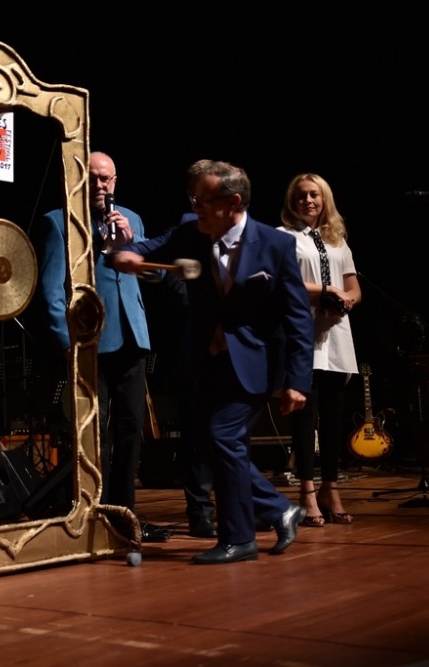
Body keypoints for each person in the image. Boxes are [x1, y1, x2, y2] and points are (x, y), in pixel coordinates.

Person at [111, 159, 313, 564]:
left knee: (222, 436)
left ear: (233, 202)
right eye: (194, 199)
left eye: (204, 199)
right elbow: (143, 250)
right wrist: (125, 254)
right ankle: (279, 509)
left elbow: (298, 318)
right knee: (208, 443)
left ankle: (239, 539)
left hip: (254, 363)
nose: (196, 206)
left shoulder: (274, 245)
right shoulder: (191, 231)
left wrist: (297, 381)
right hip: (205, 360)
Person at [33, 151, 169, 542]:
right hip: (89, 342)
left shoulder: (132, 219)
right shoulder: (59, 221)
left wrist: (133, 243)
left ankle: (125, 515)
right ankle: (94, 513)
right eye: (93, 177)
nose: (99, 185)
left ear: (115, 182)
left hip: (132, 336)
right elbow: (51, 292)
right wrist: (67, 343)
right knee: (95, 433)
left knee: (130, 429)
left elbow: (157, 275)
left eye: (105, 179)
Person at [278, 173, 361, 526]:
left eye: (314, 195)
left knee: (334, 416)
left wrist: (346, 299)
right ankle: (307, 491)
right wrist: (326, 290)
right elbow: (285, 282)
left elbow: (354, 288)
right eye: (301, 196)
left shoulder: (338, 240)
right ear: (292, 201)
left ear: (324, 199)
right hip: (303, 335)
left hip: (337, 335)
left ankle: (331, 488)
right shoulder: (284, 237)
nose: (308, 201)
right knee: (306, 415)